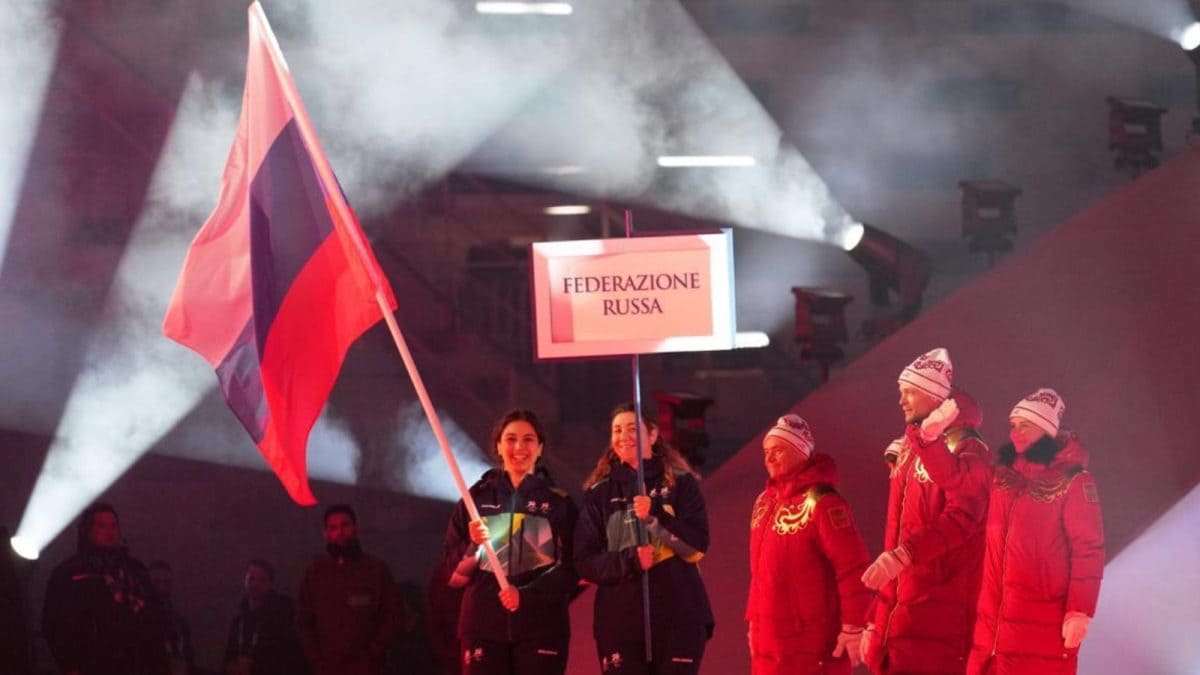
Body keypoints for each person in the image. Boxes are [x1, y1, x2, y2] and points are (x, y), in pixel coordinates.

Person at [861, 348, 992, 674]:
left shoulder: (967, 448)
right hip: (904, 618)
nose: (901, 401)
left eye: (909, 392)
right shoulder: (910, 447)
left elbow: (964, 518)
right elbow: (896, 538)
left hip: (940, 618)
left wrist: (905, 555)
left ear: (934, 396)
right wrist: (875, 621)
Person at [966, 389, 1104, 675]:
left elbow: (1088, 548)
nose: (1014, 433)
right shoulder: (1004, 478)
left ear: (1046, 430)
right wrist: (927, 442)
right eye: (1013, 425)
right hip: (992, 635)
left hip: (1042, 631)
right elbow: (957, 482)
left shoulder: (1074, 481)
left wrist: (1080, 610)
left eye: (1025, 425)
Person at [575, 402, 713, 675]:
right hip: (619, 622)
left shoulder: (681, 484)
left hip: (679, 616)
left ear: (652, 435)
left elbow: (697, 546)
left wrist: (655, 517)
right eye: (617, 430)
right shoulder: (599, 494)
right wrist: (630, 561)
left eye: (632, 428)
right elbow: (584, 561)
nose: (623, 436)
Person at [442, 409, 579, 675]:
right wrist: (472, 545)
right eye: (511, 439)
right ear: (498, 446)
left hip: (542, 630)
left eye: (528, 440)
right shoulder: (474, 501)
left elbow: (572, 569)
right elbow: (453, 577)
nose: (519, 447)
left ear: (540, 448)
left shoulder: (558, 503)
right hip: (483, 628)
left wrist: (526, 595)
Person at [747, 414, 872, 675]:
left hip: (813, 647)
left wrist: (854, 625)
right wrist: (753, 623)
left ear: (800, 451)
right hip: (768, 644)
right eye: (766, 452)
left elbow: (853, 568)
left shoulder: (823, 502)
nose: (769, 458)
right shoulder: (764, 503)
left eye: (778, 450)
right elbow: (758, 575)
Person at [42, 502, 168, 675]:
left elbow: (155, 616)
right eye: (101, 525)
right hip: (93, 666)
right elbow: (54, 623)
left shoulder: (136, 571)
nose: (110, 532)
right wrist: (70, 666)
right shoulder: (69, 573)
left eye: (114, 526)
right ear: (87, 531)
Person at [297, 504, 400, 675]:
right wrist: (317, 660)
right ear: (326, 534)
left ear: (356, 528)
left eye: (345, 525)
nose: (340, 532)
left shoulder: (375, 570)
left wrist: (373, 653)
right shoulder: (315, 572)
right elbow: (303, 620)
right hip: (328, 667)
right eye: (333, 528)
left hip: (368, 668)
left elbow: (393, 616)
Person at [224, 559, 309, 675]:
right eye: (251, 578)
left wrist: (253, 667)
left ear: (270, 584)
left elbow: (287, 658)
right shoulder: (238, 622)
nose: (255, 584)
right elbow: (227, 658)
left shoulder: (281, 618)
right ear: (245, 580)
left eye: (261, 580)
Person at [148, 560, 195, 675]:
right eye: (156, 582)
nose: (162, 588)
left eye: (166, 583)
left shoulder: (179, 623)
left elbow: (188, 658)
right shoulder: (136, 620)